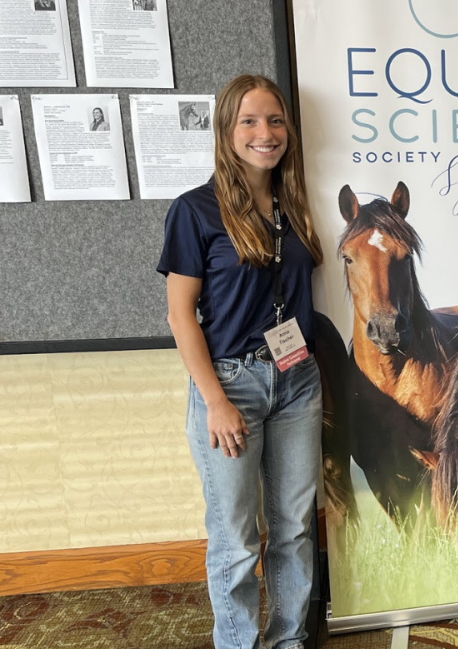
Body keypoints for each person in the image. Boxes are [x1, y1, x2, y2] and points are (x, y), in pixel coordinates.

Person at [158, 74, 325, 649]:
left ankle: (288, 638)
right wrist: (215, 401)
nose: (265, 133)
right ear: (227, 130)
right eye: (249, 121)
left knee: (295, 529)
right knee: (236, 539)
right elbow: (181, 316)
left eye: (275, 120)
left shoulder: (294, 202)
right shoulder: (194, 211)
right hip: (232, 386)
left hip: (298, 380)